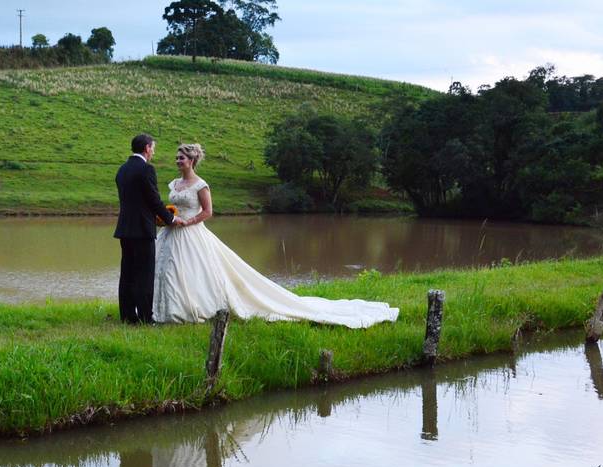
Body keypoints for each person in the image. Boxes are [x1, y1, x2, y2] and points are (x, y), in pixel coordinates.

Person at [153, 143, 400, 327]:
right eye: (177, 157)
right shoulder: (174, 184)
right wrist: (169, 217)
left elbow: (208, 211)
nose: (178, 160)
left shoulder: (201, 185)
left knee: (194, 271)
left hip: (192, 233)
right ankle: (164, 310)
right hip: (171, 233)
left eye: (182, 157)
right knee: (168, 269)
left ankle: (192, 309)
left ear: (192, 160)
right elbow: (169, 205)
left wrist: (188, 222)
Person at [114, 134, 185, 324]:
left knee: (127, 273)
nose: (153, 151)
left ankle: (128, 317)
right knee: (144, 275)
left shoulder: (122, 169)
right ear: (146, 148)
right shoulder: (146, 169)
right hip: (142, 230)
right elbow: (153, 200)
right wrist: (170, 218)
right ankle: (146, 317)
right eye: (153, 148)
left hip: (125, 229)